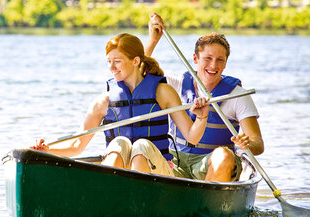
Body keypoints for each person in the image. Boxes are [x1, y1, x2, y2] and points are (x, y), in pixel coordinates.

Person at [32, 33, 209, 177]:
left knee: (141, 146)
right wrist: (47, 150)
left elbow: (192, 137)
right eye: (109, 61)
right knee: (119, 143)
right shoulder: (104, 102)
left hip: (160, 173)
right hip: (121, 174)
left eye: (117, 61)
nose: (111, 67)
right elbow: (77, 145)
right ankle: (110, 194)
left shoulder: (163, 92)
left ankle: (134, 199)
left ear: (136, 61)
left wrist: (202, 117)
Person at [145, 13, 264, 182]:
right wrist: (153, 41)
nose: (213, 65)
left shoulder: (237, 95)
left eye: (220, 60)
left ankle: (206, 205)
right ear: (195, 58)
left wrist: (248, 144)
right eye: (208, 58)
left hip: (212, 163)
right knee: (142, 148)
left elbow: (258, 143)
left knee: (223, 155)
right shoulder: (175, 85)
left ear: (225, 63)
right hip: (175, 160)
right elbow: (139, 74)